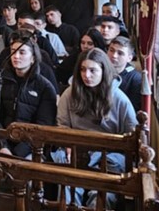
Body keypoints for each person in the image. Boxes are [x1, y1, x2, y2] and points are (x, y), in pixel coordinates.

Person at [0, 31, 58, 187]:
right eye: (13, 52)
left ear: (33, 58)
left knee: (30, 180)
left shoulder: (45, 87)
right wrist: (3, 146)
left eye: (22, 52)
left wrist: (16, 154)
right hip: (2, 144)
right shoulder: (1, 80)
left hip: (30, 149)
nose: (16, 56)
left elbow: (43, 127)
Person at [56, 49, 138, 207]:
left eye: (93, 70)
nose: (86, 75)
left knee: (100, 196)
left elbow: (132, 133)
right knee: (67, 191)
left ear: (103, 71)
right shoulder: (69, 94)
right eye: (83, 69)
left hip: (109, 155)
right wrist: (68, 146)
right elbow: (62, 125)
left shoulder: (120, 99)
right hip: (76, 150)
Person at [107, 36, 143, 112]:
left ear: (129, 58)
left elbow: (132, 110)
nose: (114, 55)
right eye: (111, 50)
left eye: (120, 53)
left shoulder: (136, 79)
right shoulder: (99, 72)